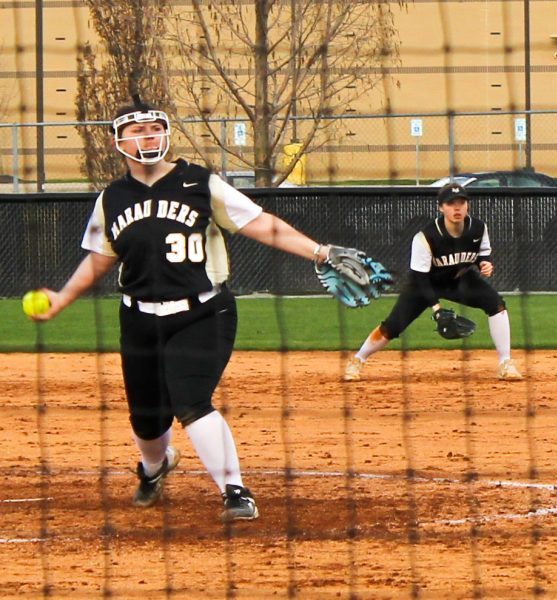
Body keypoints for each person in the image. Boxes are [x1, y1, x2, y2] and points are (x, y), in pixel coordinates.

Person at [28, 98, 336, 522]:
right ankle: (155, 468)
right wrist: (62, 298)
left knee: (191, 399)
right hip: (138, 319)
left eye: (154, 128)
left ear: (166, 134)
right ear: (118, 141)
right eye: (136, 131)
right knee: (147, 421)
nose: (147, 136)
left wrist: (318, 252)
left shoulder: (199, 182)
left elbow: (259, 223)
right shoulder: (112, 197)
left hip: (203, 313)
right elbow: (101, 256)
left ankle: (235, 492)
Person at [342, 183, 523, 382]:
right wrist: (436, 309)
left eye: (461, 202)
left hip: (459, 280)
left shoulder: (478, 228)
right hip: (424, 284)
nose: (456, 208)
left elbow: (483, 252)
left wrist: (484, 263)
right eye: (450, 203)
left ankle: (506, 363)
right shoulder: (426, 236)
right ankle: (358, 360)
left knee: (496, 304)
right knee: (392, 327)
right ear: (441, 207)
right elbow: (420, 278)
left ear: (467, 205)